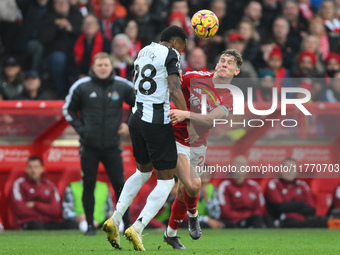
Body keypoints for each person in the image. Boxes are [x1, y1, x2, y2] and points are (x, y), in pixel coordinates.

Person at [102, 25, 189, 251]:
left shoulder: (142, 51)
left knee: (142, 172)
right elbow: (174, 89)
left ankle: (115, 218)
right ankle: (137, 227)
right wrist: (187, 118)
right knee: (167, 180)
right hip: (156, 120)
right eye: (183, 47)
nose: (183, 52)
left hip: (136, 117)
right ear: (176, 42)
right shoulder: (171, 53)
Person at [165, 49, 242, 249]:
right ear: (216, 65)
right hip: (174, 138)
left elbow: (209, 118)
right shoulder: (194, 77)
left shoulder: (230, 98)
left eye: (230, 63)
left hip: (198, 145)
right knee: (194, 184)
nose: (224, 64)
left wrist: (185, 114)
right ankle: (193, 215)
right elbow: (170, 89)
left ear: (236, 71)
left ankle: (171, 233)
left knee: (185, 189)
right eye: (222, 60)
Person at [62, 52, 135, 235]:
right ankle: (88, 226)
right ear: (93, 67)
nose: (103, 68)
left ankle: (126, 225)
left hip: (112, 146)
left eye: (106, 65)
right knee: (89, 184)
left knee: (120, 185)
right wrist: (83, 130)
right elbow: (67, 109)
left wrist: (129, 125)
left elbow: (140, 104)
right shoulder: (82, 86)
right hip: (89, 146)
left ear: (112, 67)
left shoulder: (122, 85)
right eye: (99, 65)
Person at [264, 158, 327, 228]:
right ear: (281, 170)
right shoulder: (274, 185)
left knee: (323, 222)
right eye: (286, 168)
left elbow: (312, 209)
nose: (289, 171)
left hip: (304, 219)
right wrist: (301, 204)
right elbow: (279, 207)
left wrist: (290, 205)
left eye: (292, 168)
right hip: (284, 220)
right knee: (293, 223)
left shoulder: (303, 186)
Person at [10, 156, 62, 230]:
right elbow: (20, 209)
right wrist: (43, 214)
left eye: (36, 167)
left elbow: (56, 210)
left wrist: (35, 204)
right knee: (37, 225)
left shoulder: (50, 185)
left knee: (71, 225)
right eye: (30, 167)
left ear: (42, 169)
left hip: (48, 222)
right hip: (28, 222)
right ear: (26, 169)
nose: (33, 170)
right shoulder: (20, 184)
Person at [217, 155, 266, 228]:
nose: (240, 167)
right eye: (238, 163)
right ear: (232, 167)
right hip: (232, 222)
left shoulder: (254, 186)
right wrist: (242, 218)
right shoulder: (225, 186)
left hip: (251, 220)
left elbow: (260, 208)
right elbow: (225, 211)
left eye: (243, 164)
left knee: (260, 219)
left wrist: (248, 218)